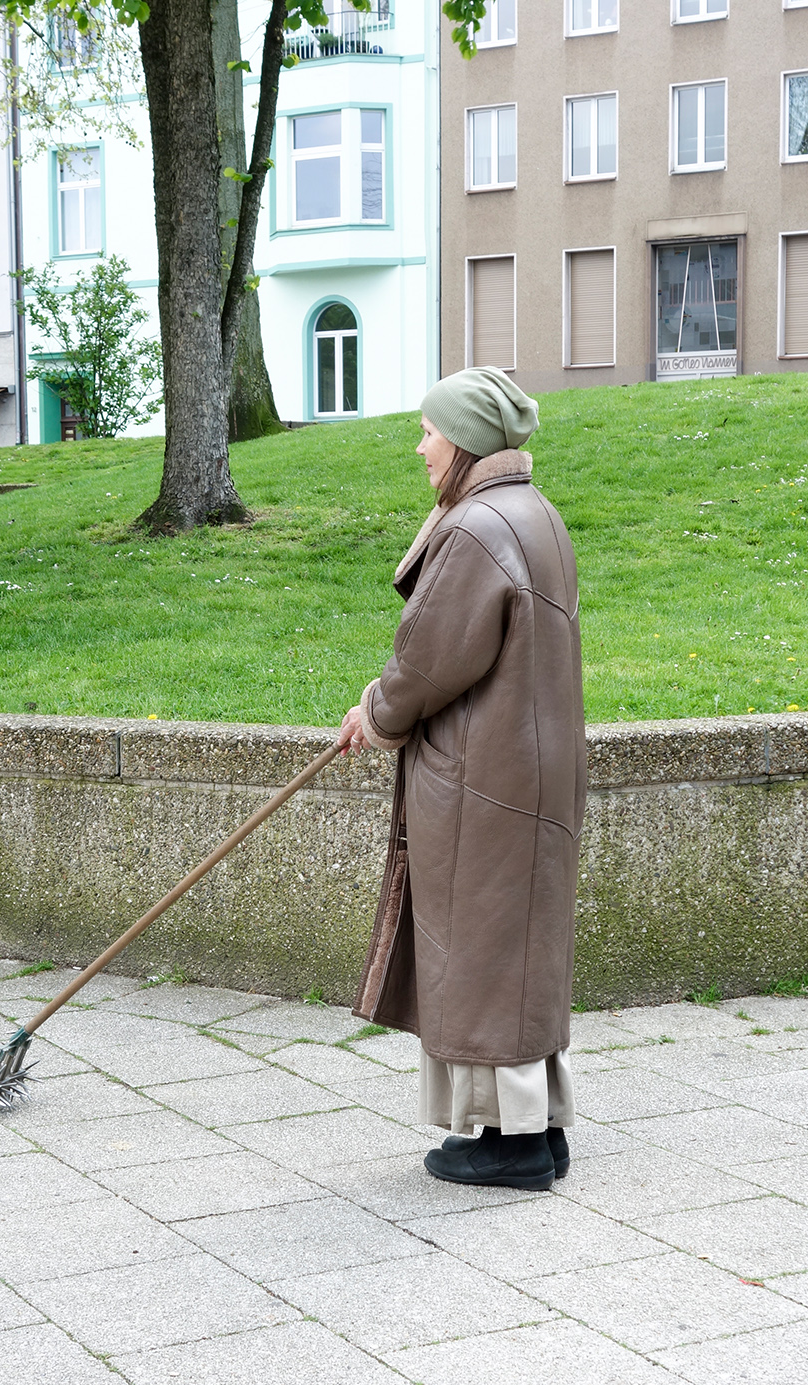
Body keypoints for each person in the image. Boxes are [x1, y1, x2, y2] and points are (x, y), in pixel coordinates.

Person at [338, 366, 586, 1191]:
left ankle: (510, 1147)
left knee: (482, 953)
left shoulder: (479, 528)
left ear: (467, 440)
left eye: (430, 431)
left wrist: (375, 713)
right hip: (531, 770)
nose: (421, 445)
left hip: (487, 777)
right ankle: (536, 1128)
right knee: (517, 947)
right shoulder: (535, 513)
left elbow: (430, 659)